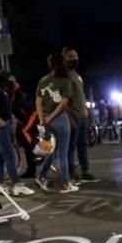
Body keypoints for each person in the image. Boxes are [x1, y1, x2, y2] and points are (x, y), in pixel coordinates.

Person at [0, 56, 35, 196]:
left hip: (1, 125)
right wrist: (0, 121)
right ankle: (17, 185)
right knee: (9, 155)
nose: (0, 71)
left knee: (0, 157)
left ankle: (1, 185)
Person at [34, 53, 78, 193]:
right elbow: (64, 103)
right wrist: (52, 117)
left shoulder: (43, 81)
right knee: (63, 153)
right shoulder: (65, 81)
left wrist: (43, 119)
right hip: (60, 119)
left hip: (46, 119)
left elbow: (38, 101)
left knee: (50, 151)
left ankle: (41, 176)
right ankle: (65, 184)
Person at [62, 46, 99, 183]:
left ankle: (85, 170)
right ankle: (71, 173)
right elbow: (64, 99)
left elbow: (80, 96)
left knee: (83, 145)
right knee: (70, 147)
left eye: (75, 56)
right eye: (70, 57)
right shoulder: (65, 76)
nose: (74, 59)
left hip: (82, 116)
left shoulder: (76, 75)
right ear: (64, 59)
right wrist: (70, 116)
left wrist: (86, 112)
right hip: (73, 116)